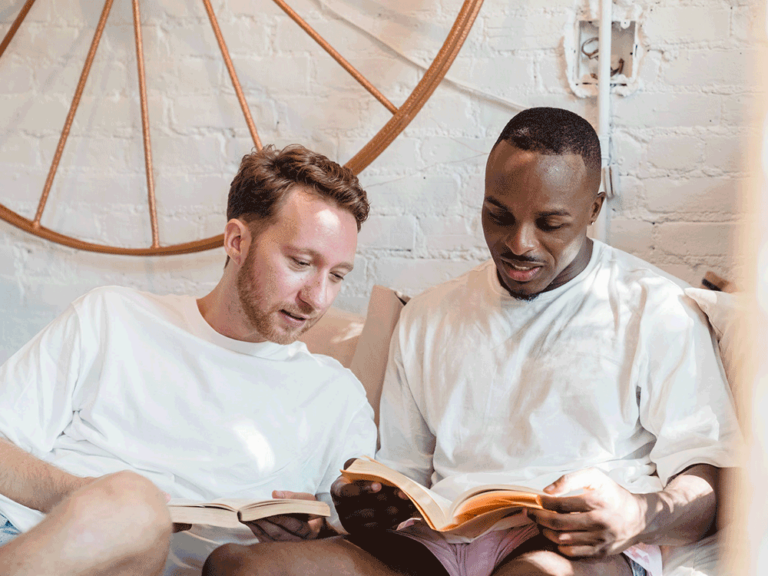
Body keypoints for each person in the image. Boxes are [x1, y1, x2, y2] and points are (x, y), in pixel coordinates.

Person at [202, 108, 741, 576]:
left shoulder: (655, 306)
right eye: (498, 215)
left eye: (551, 224)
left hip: (564, 549)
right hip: (435, 548)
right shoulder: (431, 314)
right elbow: (404, 470)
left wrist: (638, 515)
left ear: (594, 209)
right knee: (235, 566)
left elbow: (708, 482)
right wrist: (368, 503)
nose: (518, 243)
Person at [0, 144, 377, 576]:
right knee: (133, 502)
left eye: (337, 276)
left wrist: (312, 533)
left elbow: (357, 543)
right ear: (237, 240)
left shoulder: (337, 397)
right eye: (300, 262)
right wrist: (87, 497)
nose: (317, 297)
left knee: (137, 507)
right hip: (22, 535)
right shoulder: (112, 317)